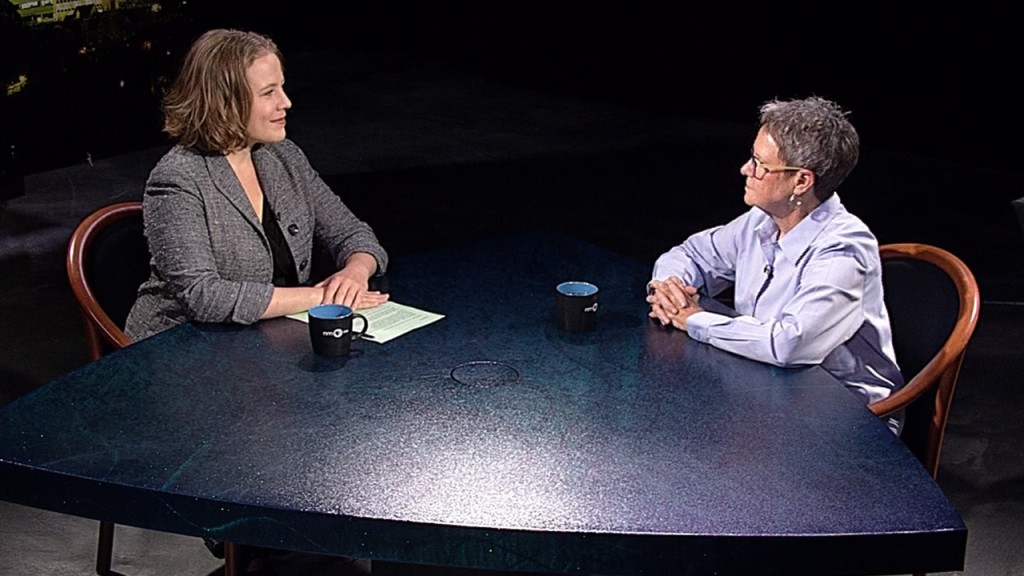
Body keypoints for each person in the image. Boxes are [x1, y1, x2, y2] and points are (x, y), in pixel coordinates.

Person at [646, 96, 904, 430]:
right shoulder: (761, 221)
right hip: (767, 389)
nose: (745, 170)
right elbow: (691, 255)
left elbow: (790, 345)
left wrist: (695, 319)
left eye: (759, 164)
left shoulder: (843, 250)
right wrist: (671, 288)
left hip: (847, 420)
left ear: (801, 182)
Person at [126, 29, 388, 341]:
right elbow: (204, 296)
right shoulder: (178, 178)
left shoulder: (284, 158)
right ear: (225, 103)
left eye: (282, 88)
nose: (286, 102)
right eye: (268, 93)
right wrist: (323, 298)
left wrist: (354, 274)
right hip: (180, 348)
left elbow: (352, 233)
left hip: (264, 341)